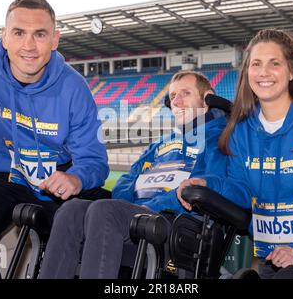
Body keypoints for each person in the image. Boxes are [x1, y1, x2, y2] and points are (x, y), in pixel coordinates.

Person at [0, 0, 109, 279]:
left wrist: (76, 178)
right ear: (4, 37)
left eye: (39, 34)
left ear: (55, 40)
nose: (29, 46)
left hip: (56, 177)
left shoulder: (74, 88)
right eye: (19, 33)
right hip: (0, 174)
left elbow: (94, 160)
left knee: (87, 237)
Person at [177, 28, 293, 279]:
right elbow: (240, 189)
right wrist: (206, 184)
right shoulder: (241, 131)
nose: (263, 72)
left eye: (274, 63)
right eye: (256, 64)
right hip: (274, 254)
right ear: (247, 73)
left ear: (291, 72)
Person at [38, 71, 228, 278]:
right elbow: (129, 179)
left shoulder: (221, 138)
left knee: (106, 211)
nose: (177, 101)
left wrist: (147, 207)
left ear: (207, 98)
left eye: (186, 93)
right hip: (138, 216)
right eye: (172, 96)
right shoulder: (160, 143)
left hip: (177, 222)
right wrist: (127, 206)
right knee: (72, 209)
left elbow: (205, 185)